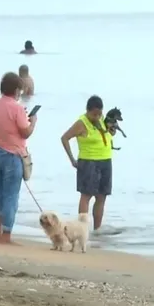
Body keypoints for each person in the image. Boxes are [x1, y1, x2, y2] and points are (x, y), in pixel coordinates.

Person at [0, 72, 36, 245]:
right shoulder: (16, 107)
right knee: (11, 196)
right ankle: (6, 235)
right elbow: (25, 132)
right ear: (16, 90)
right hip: (12, 155)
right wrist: (33, 121)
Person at [60, 95, 115, 231]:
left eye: (99, 113)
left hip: (105, 160)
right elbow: (65, 138)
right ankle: (82, 229)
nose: (97, 117)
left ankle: (97, 229)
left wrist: (111, 131)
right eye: (94, 114)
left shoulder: (103, 119)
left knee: (102, 196)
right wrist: (72, 159)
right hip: (89, 161)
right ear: (88, 111)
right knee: (86, 195)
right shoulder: (82, 123)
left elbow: (105, 135)